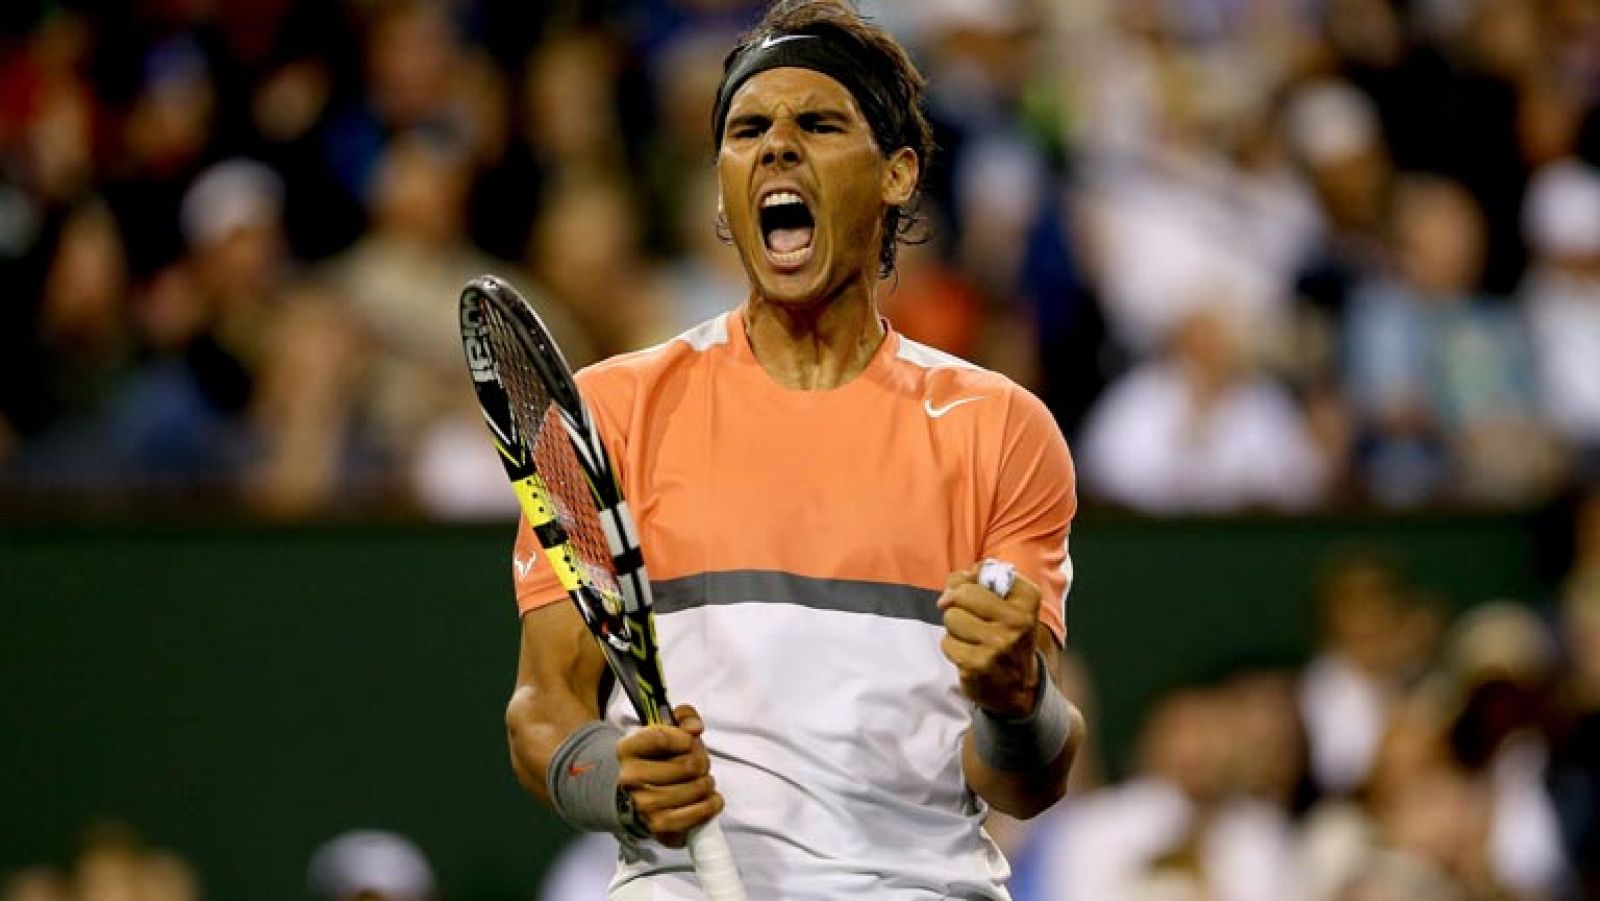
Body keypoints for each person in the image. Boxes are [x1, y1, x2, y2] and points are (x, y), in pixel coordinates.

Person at [503, 2, 1085, 898]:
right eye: (747, 131)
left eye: (816, 123)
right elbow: (544, 708)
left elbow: (1027, 778)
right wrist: (617, 781)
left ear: (897, 175)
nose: (776, 147)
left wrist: (1017, 698)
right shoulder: (609, 414)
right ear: (722, 184)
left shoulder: (1000, 427)